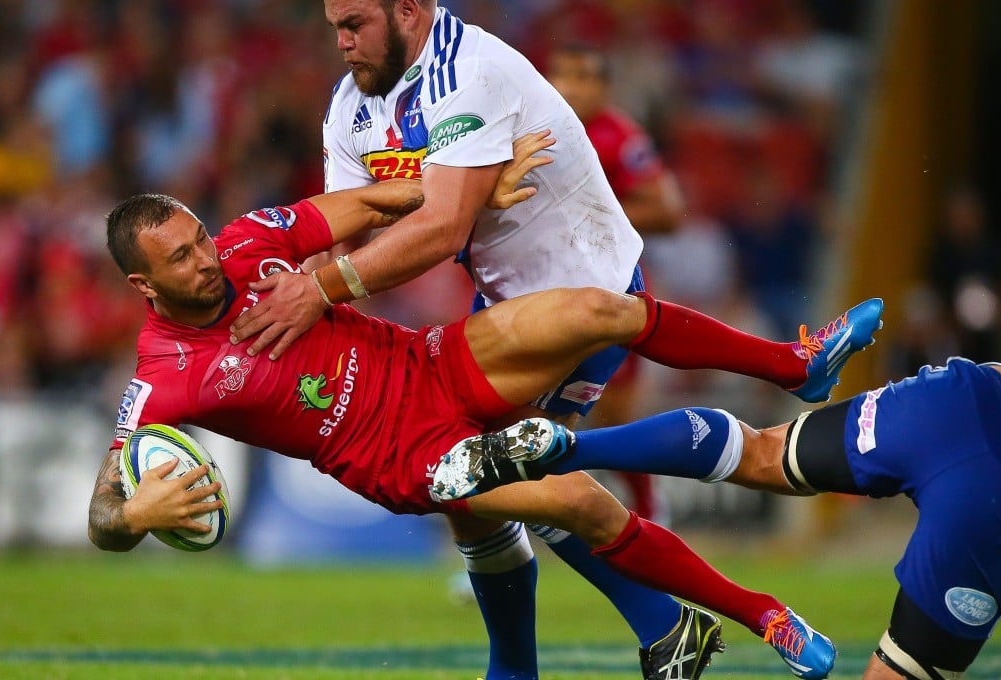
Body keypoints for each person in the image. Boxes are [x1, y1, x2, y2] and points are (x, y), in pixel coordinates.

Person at [225, 3, 871, 677]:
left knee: (525, 474)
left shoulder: (466, 72)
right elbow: (350, 221)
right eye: (335, 25)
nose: (342, 41)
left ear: (408, 10)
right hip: (506, 302)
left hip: (583, 283)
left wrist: (332, 280)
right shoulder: (352, 105)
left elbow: (443, 232)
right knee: (484, 495)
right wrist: (304, 272)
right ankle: (673, 621)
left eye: (355, 22)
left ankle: (738, 598)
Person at [88, 187, 882, 679]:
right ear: (142, 283)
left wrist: (461, 186)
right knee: (579, 501)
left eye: (199, 239)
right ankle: (761, 614)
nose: (207, 260)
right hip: (399, 456)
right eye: (183, 258)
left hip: (429, 363)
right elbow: (103, 513)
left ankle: (793, 365)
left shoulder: (249, 244)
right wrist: (133, 516)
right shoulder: (165, 373)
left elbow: (361, 206)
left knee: (596, 309)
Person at [437, 356, 1001, 680]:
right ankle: (722, 616)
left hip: (971, 393)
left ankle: (572, 449)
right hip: (995, 490)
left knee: (759, 452)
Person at [546, 42, 684, 523]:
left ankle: (650, 515)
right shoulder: (537, 126)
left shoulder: (620, 137)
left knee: (612, 417)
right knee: (519, 413)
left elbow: (668, 211)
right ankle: (504, 533)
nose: (570, 87)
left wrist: (588, 216)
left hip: (607, 291)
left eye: (583, 76)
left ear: (603, 87)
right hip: (539, 290)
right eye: (562, 73)